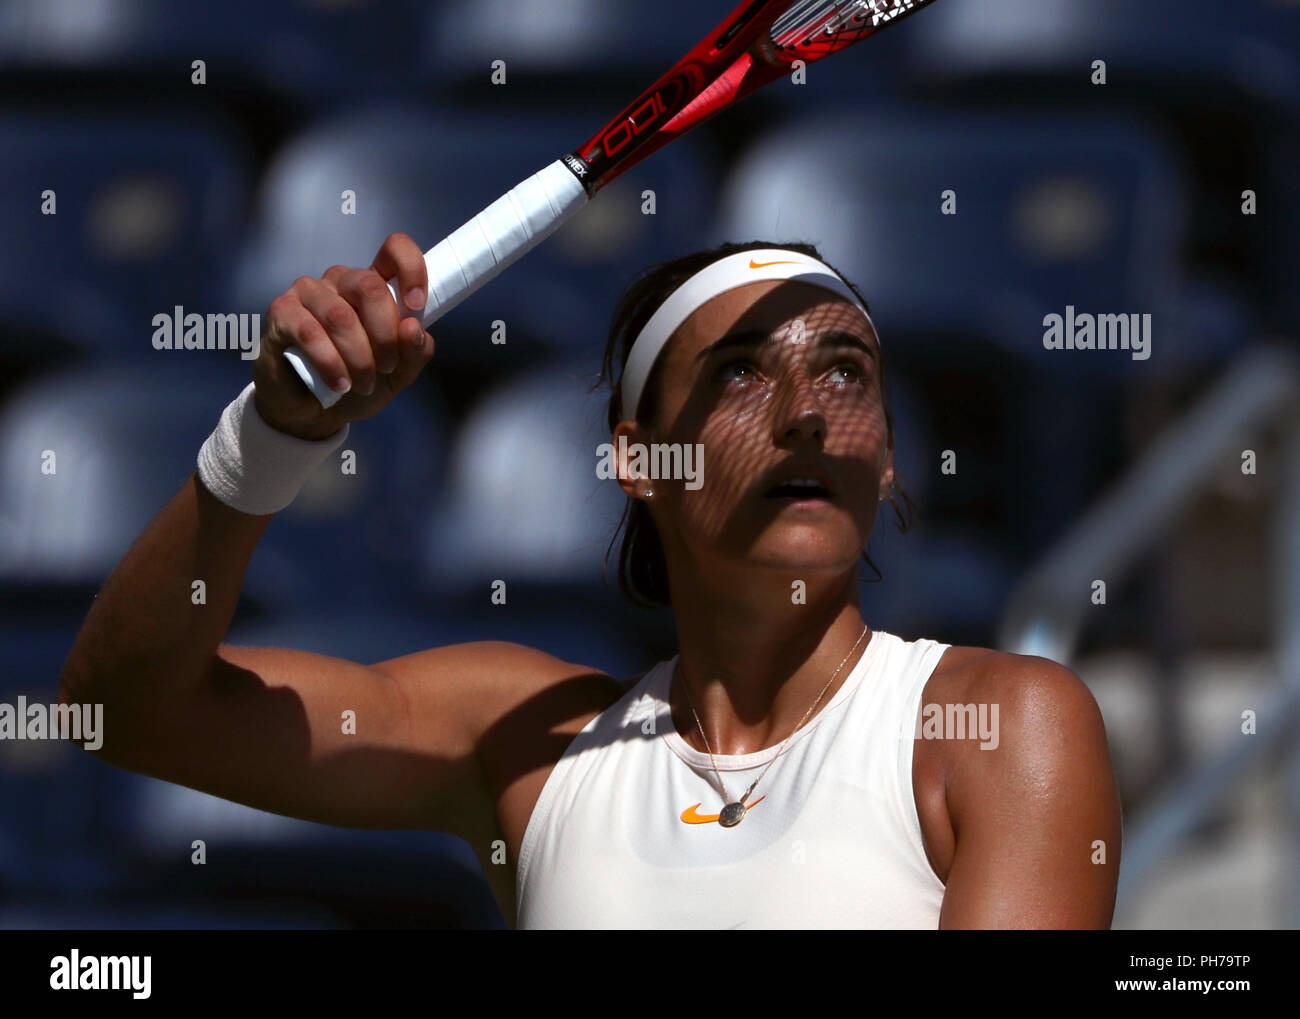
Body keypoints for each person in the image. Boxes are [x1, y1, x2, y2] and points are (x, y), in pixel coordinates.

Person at [58, 233, 1122, 930]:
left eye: (845, 371)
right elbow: (123, 711)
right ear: (635, 455)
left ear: (885, 454)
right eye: (741, 371)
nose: (806, 409)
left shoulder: (1006, 722)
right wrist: (271, 438)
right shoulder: (523, 737)